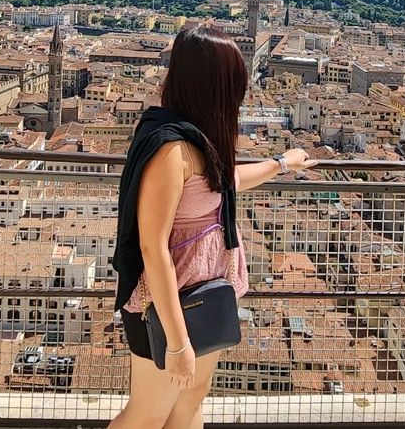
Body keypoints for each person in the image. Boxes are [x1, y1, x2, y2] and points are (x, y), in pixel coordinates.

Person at [108, 25, 318, 429]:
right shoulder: (171, 149)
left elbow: (223, 184)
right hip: (168, 309)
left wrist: (281, 164)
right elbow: (152, 247)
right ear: (214, 85)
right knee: (146, 418)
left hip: (205, 296)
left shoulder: (197, 137)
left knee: (190, 402)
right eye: (234, 81)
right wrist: (178, 341)